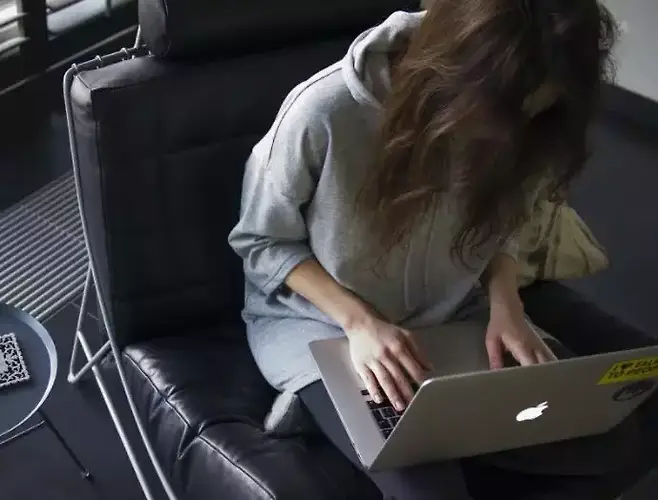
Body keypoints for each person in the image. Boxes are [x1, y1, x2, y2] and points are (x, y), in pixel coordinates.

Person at [229, 1, 656, 498]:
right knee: (430, 491)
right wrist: (361, 323)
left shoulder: (532, 115)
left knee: (612, 445)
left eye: (535, 111)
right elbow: (260, 241)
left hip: (453, 313)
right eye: (505, 113)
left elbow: (508, 219)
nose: (515, 131)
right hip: (326, 325)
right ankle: (322, 400)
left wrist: (507, 303)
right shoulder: (323, 110)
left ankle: (446, 426)